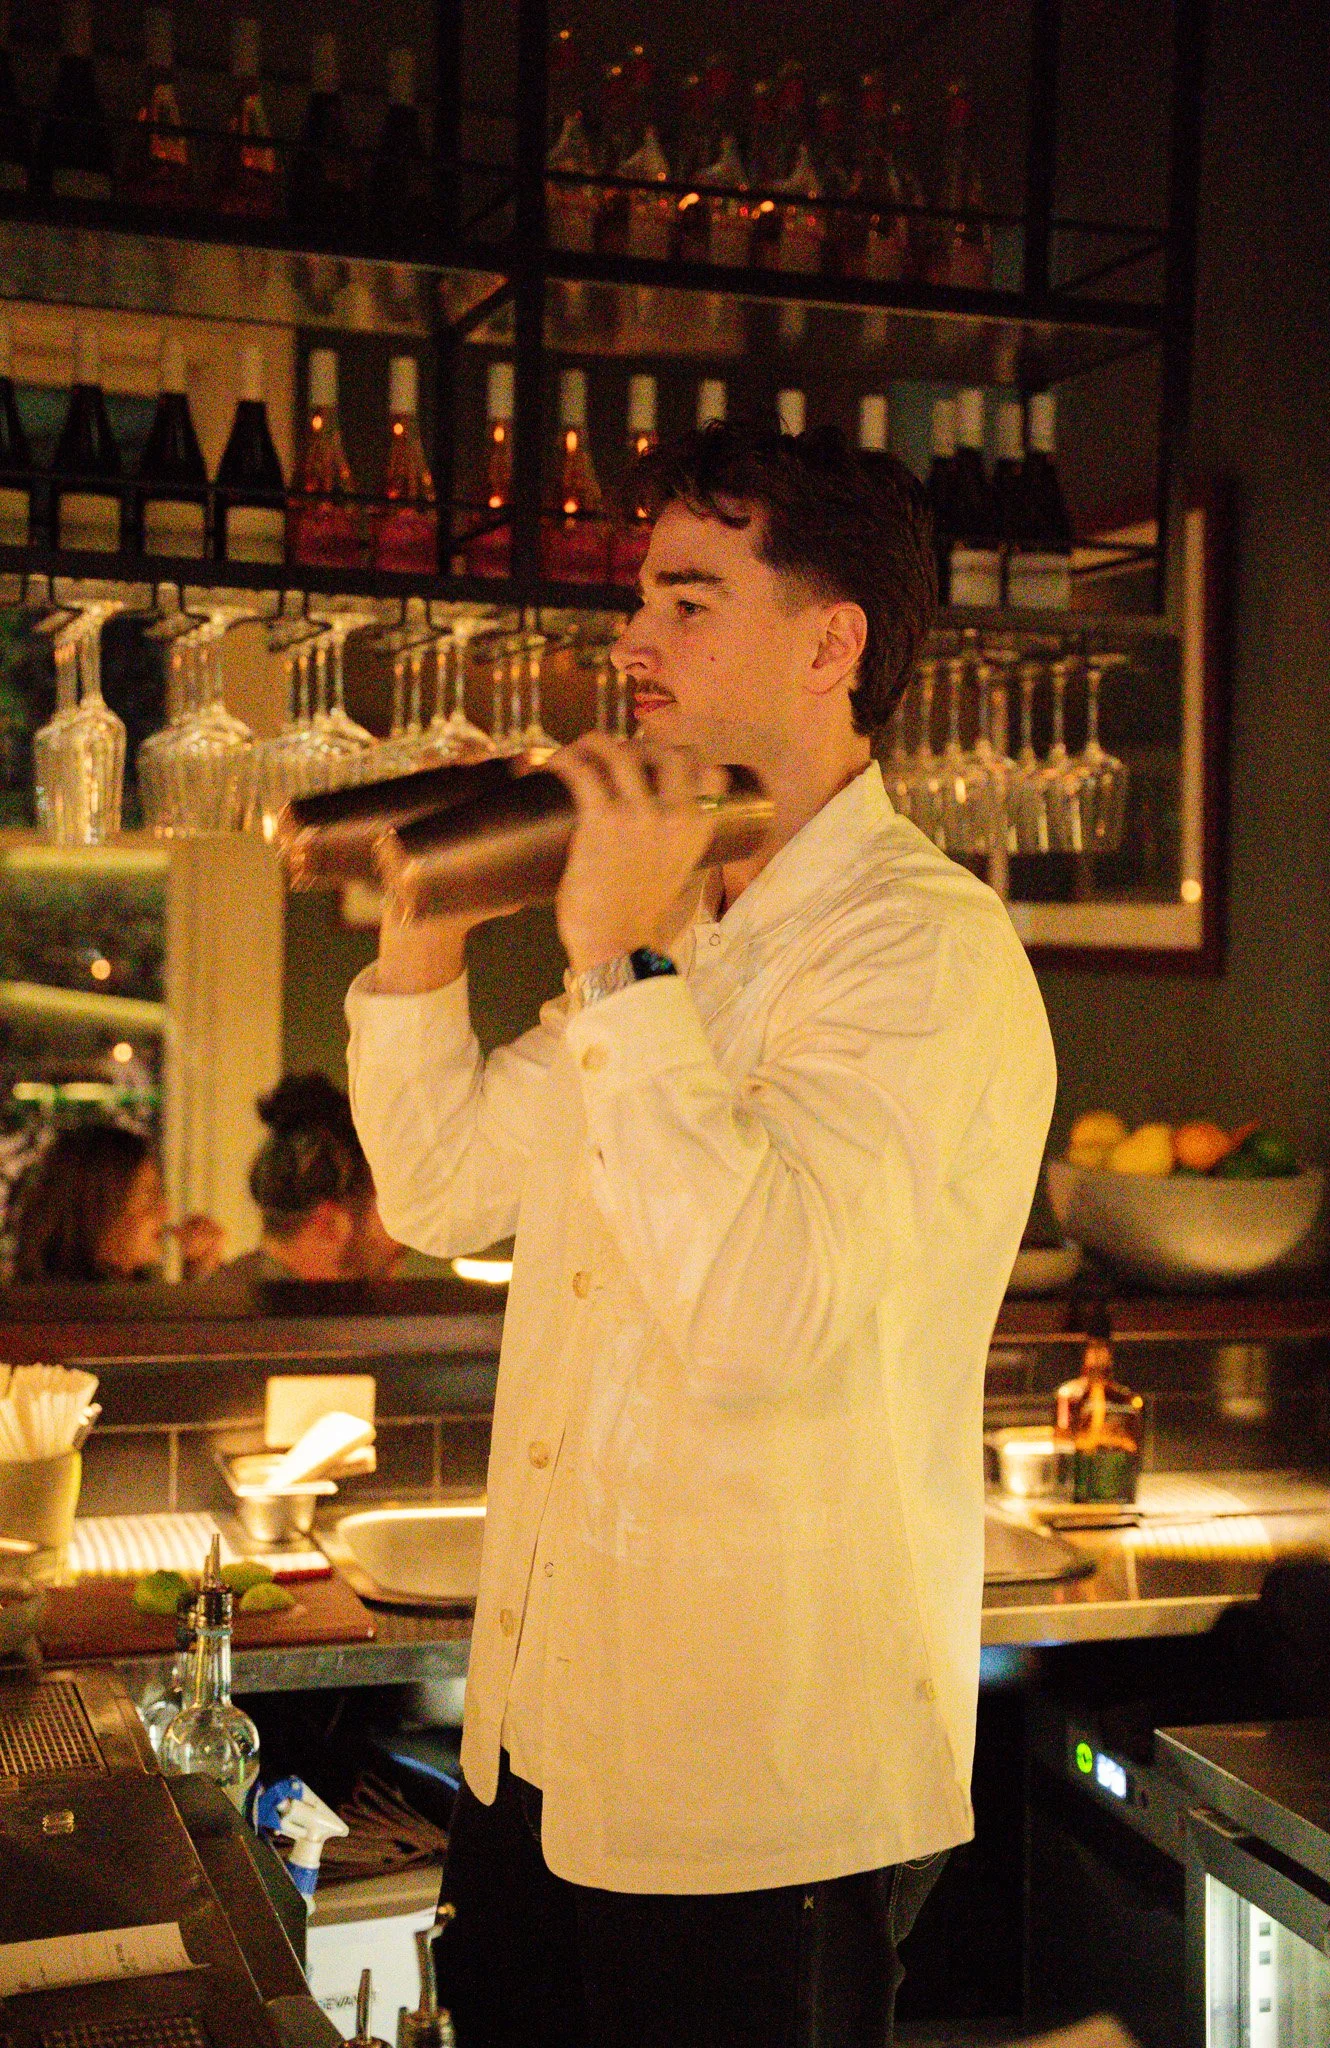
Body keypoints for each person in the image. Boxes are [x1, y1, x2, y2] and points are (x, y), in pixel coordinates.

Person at [346, 422, 1056, 2047]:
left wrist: (613, 971)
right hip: (540, 1752)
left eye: (686, 599)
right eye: (638, 601)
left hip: (757, 1800)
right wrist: (423, 939)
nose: (630, 640)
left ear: (831, 641)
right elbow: (450, 1192)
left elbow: (756, 1322)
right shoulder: (686, 916)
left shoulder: (921, 954)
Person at [222, 1072, 405, 1283]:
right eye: (391, 1211)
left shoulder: (226, 1295)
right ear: (329, 1224)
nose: (403, 1238)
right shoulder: (229, 1307)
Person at [10, 1122, 222, 1283]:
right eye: (149, 1197)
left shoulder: (136, 1300)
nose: (165, 1212)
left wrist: (199, 1275)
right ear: (96, 1210)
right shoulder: (63, 1318)